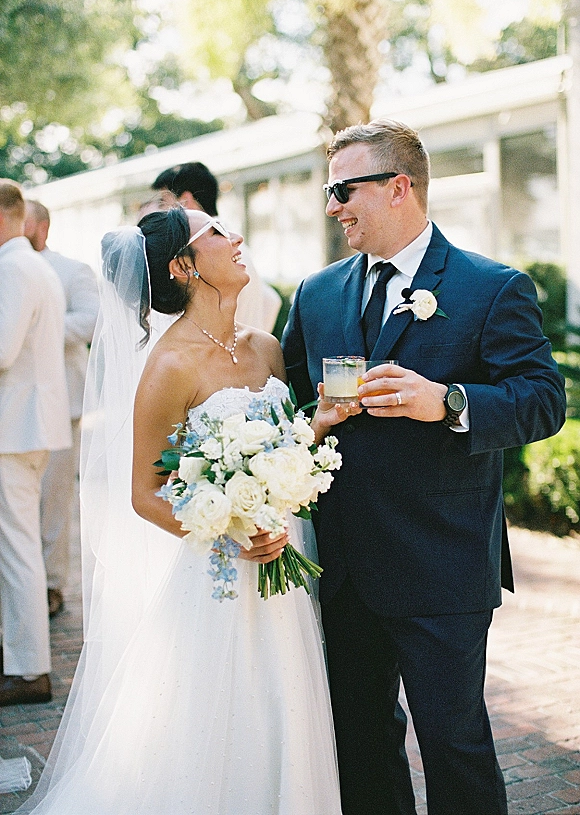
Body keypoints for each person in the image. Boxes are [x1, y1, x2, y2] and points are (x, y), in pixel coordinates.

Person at [16, 206, 350, 814]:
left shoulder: (265, 347)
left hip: (284, 568)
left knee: (286, 702)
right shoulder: (169, 365)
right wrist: (230, 531)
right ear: (184, 266)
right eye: (218, 232)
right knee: (220, 719)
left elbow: (286, 442)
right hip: (219, 577)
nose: (237, 236)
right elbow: (144, 493)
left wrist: (318, 425)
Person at [281, 118, 567, 815]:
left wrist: (451, 400)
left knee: (455, 744)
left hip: (442, 562)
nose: (332, 206)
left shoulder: (490, 288)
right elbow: (288, 398)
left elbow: (544, 401)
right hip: (344, 565)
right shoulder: (317, 295)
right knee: (362, 741)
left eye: (343, 189)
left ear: (398, 187)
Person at [0, 180, 71, 707]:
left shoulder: (14, 267)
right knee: (15, 545)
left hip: (13, 428)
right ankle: (19, 658)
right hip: (25, 424)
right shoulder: (31, 266)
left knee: (15, 548)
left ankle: (28, 670)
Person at [24, 200, 99, 618]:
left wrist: (37, 329)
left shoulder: (72, 270)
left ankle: (52, 584)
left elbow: (91, 320)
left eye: (26, 223)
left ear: (42, 226)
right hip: (15, 402)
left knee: (53, 498)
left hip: (63, 399)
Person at [152, 162, 282, 332]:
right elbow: (272, 300)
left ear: (185, 201)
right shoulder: (235, 247)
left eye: (163, 203)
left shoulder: (214, 252)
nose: (160, 211)